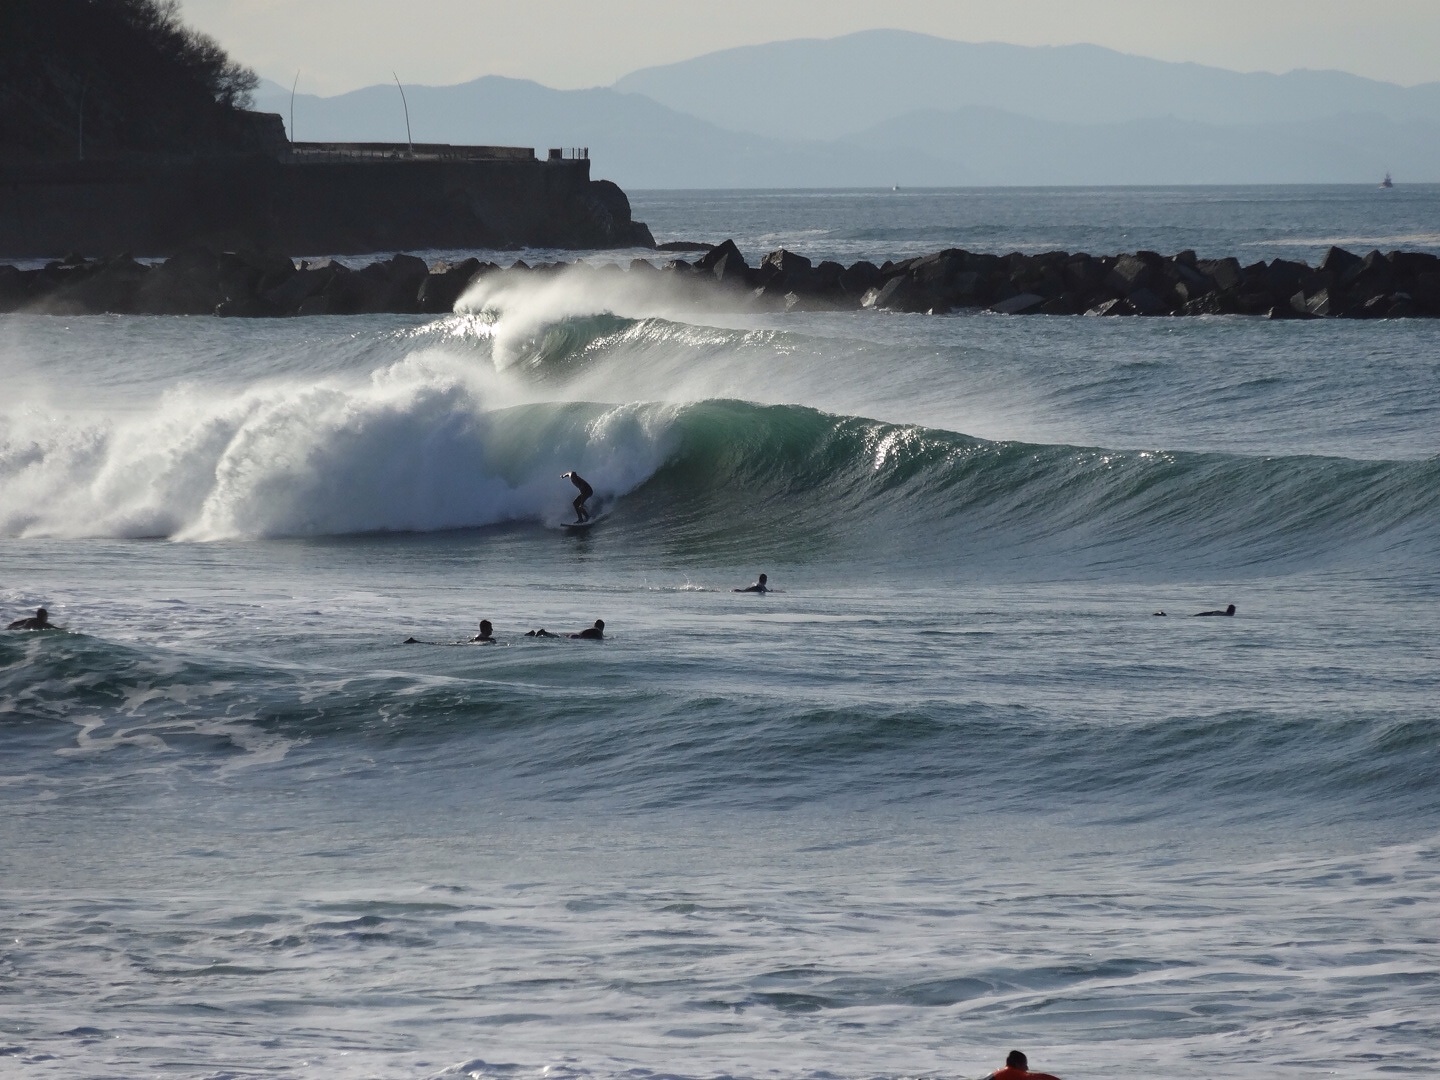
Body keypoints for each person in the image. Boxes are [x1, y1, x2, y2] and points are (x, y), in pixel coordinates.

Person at [988, 1050, 1061, 1080]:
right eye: (1025, 1065)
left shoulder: (1000, 1072)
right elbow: (1037, 1077)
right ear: (1017, 1065)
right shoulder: (1012, 1072)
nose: (1027, 1068)